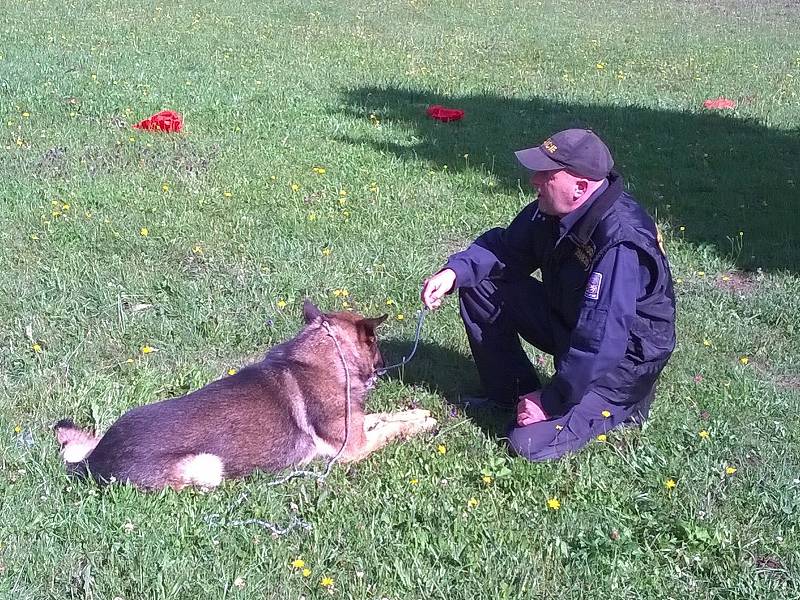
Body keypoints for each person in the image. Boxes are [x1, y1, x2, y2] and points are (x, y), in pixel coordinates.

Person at [421, 128, 676, 461]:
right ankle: (510, 394)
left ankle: (621, 407)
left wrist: (550, 401)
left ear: (580, 187)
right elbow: (505, 249)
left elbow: (601, 342)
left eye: (546, 173)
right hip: (573, 322)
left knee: (526, 443)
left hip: (620, 364)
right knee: (480, 281)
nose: (534, 180)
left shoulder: (619, 242)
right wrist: (454, 272)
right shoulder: (555, 209)